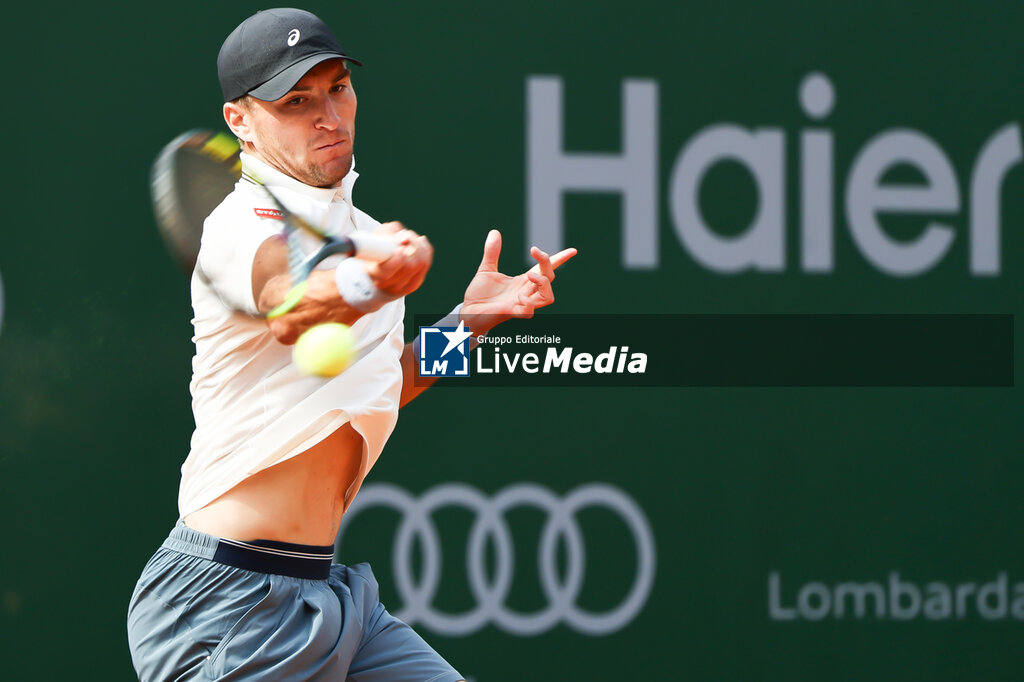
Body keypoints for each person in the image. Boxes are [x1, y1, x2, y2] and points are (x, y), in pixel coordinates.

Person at [126, 8, 576, 681]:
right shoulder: (238, 224)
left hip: (333, 598)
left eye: (337, 88)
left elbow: (386, 384)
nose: (328, 116)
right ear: (239, 121)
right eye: (296, 101)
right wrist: (369, 280)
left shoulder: (362, 230)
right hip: (227, 605)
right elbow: (289, 306)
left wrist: (470, 322)